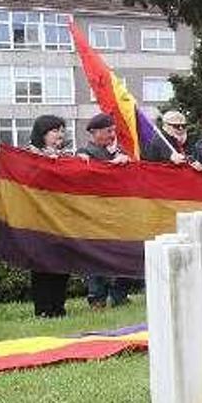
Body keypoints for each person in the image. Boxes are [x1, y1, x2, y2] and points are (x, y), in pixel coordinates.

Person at [18, 116, 74, 316]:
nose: (60, 134)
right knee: (42, 265)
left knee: (62, 263)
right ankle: (43, 309)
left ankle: (58, 307)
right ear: (42, 134)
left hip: (61, 220)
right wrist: (45, 163)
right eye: (54, 131)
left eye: (62, 130)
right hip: (37, 220)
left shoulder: (67, 156)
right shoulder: (26, 155)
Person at [77, 113, 132, 308]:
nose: (112, 134)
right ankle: (97, 298)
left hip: (118, 213)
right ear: (95, 132)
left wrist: (125, 161)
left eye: (113, 131)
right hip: (95, 214)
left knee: (125, 252)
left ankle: (120, 295)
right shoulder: (84, 153)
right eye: (108, 131)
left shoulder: (118, 153)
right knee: (96, 255)